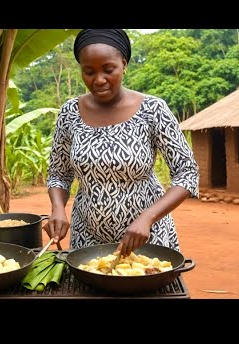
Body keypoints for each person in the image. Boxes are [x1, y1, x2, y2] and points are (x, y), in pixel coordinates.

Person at [44, 29, 199, 257]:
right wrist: (57, 208)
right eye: (88, 72)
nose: (98, 80)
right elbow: (58, 173)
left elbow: (187, 173)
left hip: (147, 237)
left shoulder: (153, 110)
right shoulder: (70, 112)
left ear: (124, 64)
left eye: (109, 70)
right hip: (87, 238)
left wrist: (148, 217)